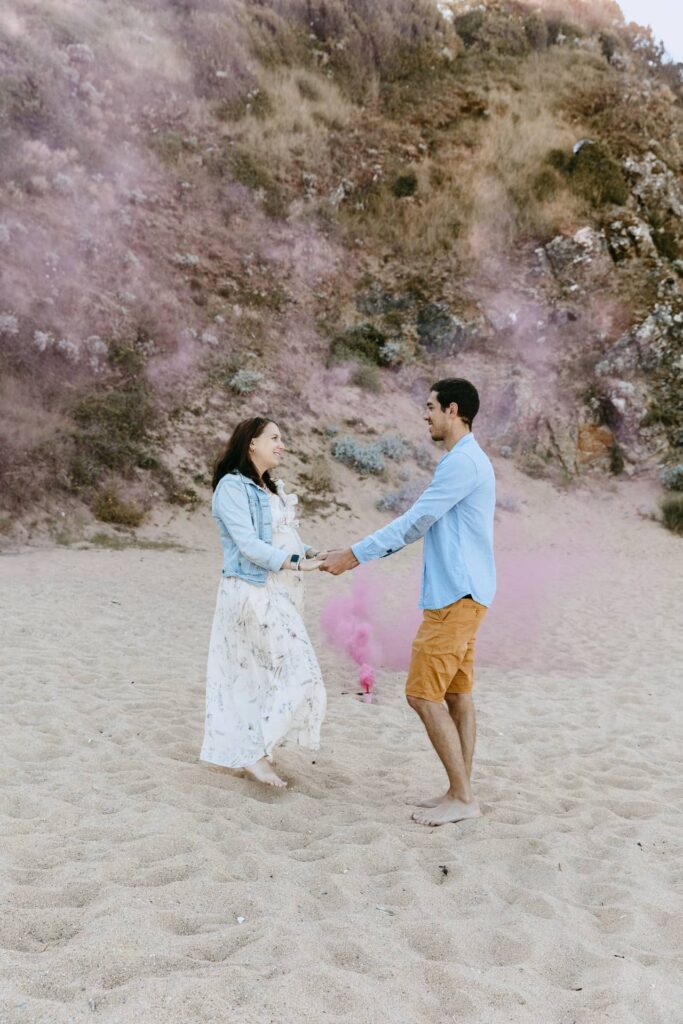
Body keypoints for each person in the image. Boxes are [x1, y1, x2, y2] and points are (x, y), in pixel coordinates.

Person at [319, 379, 495, 826]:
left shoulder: (462, 463)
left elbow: (416, 521)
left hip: (456, 597)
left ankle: (463, 797)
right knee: (457, 694)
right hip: (467, 594)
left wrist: (354, 554)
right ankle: (460, 790)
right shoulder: (467, 459)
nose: (425, 415)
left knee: (421, 694)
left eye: (430, 406)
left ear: (452, 410)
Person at [200, 416, 326, 788]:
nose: (281, 444)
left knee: (268, 672)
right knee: (291, 669)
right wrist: (297, 563)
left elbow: (283, 536)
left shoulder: (269, 487)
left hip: (277, 590)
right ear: (251, 443)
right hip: (249, 590)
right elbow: (249, 545)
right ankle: (255, 754)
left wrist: (314, 553)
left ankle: (257, 751)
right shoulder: (232, 487)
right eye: (274, 437)